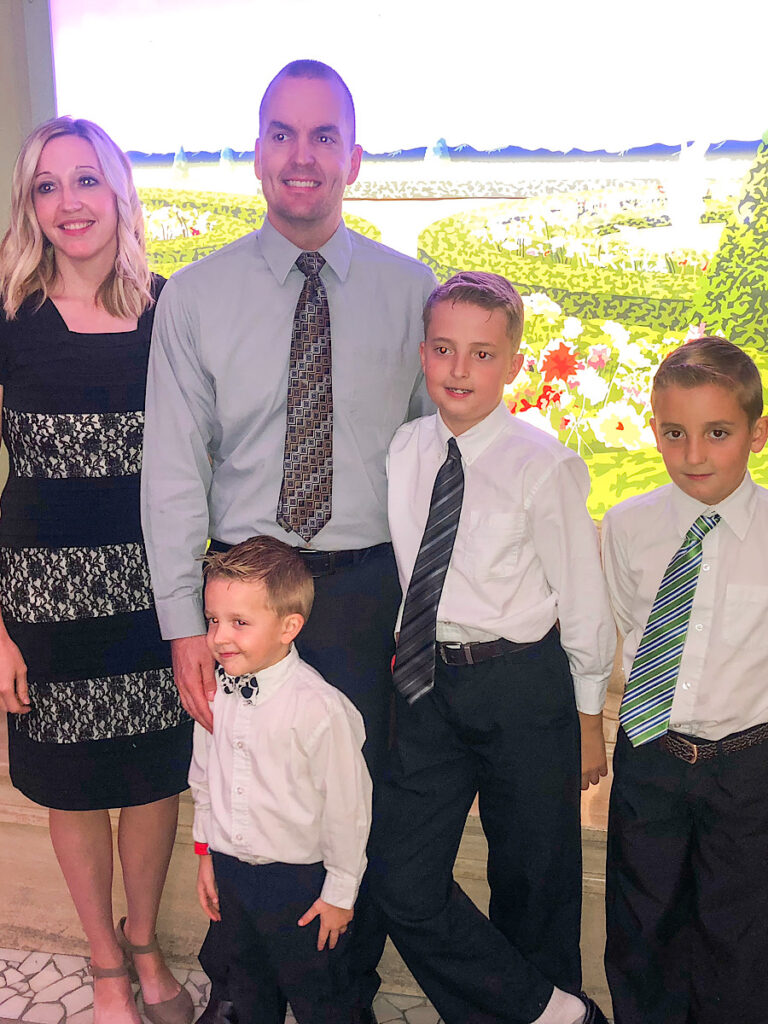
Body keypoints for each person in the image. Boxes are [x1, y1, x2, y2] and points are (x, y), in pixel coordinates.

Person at [140, 60, 435, 1023]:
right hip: (240, 593)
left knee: (350, 794)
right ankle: (243, 987)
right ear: (256, 152)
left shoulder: (409, 292)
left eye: (321, 136)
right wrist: (188, 623)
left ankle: (341, 985)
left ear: (353, 155)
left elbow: (442, 465)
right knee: (239, 785)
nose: (300, 155)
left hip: (359, 593)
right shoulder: (196, 298)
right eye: (280, 133)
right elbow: (176, 472)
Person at [371, 271, 615, 1024]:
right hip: (426, 685)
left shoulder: (542, 465)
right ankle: (553, 1013)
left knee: (534, 884)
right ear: (422, 353)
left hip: (523, 688)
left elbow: (582, 600)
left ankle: (542, 999)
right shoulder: (407, 448)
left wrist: (586, 720)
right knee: (401, 882)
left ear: (513, 363)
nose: (458, 370)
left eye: (481, 354)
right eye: (444, 349)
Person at [0, 117, 193, 1024]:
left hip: (156, 596)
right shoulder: (9, 316)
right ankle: (105, 960)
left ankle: (148, 939)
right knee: (72, 785)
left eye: (85, 180)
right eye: (47, 185)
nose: (68, 202)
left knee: (154, 778)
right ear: (30, 207)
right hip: (42, 600)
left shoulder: (170, 310)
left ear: (119, 192)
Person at [601, 336, 768, 1024]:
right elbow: (610, 630)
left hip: (749, 767)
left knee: (741, 940)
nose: (693, 454)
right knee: (642, 931)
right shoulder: (628, 526)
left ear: (758, 434)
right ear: (655, 429)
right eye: (675, 433)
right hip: (651, 757)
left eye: (717, 433)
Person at [190, 535, 372, 1024]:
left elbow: (348, 808)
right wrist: (206, 852)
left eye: (239, 622)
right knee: (247, 989)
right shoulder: (214, 694)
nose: (219, 637)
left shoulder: (320, 709)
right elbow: (205, 777)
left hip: (300, 884)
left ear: (289, 626)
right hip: (233, 873)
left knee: (322, 995)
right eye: (213, 620)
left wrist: (339, 891)